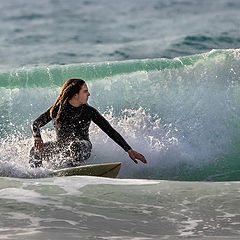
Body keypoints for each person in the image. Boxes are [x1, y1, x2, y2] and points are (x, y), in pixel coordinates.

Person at [29, 78, 147, 168]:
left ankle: (75, 171)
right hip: (62, 148)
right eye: (85, 91)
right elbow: (36, 123)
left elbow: (109, 130)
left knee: (75, 146)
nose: (89, 94)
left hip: (83, 147)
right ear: (76, 95)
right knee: (35, 151)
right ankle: (37, 176)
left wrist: (129, 150)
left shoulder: (89, 112)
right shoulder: (58, 109)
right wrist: (37, 137)